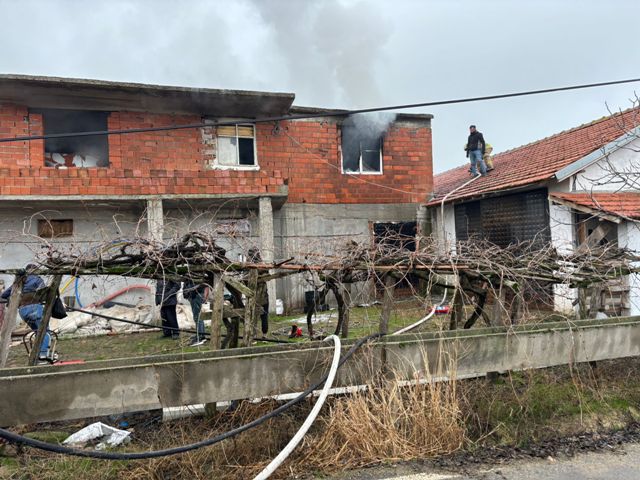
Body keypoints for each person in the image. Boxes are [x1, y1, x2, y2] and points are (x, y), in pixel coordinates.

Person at [1, 264, 56, 363]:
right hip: (35, 308)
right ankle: (43, 355)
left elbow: (4, 295)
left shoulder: (19, 282)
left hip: (23, 311)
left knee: (37, 332)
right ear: (35, 271)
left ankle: (37, 353)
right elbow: (44, 294)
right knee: (44, 331)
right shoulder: (37, 279)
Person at [183, 279, 207, 346]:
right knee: (197, 316)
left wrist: (190, 292)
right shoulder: (189, 273)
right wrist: (186, 294)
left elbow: (202, 285)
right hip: (193, 295)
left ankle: (200, 337)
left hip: (196, 295)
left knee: (197, 317)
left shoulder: (197, 274)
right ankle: (200, 334)